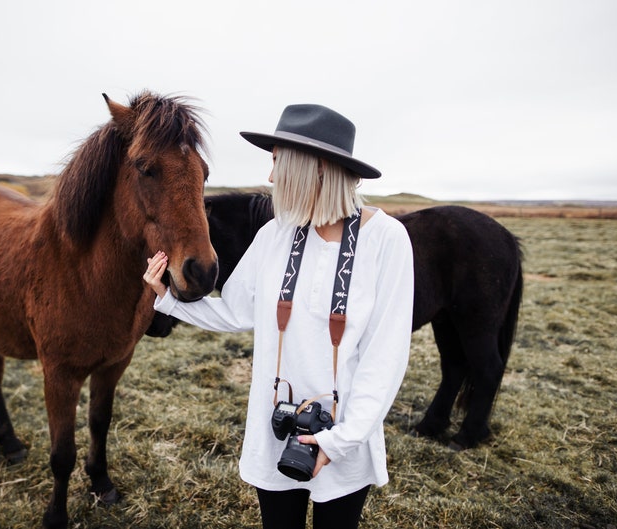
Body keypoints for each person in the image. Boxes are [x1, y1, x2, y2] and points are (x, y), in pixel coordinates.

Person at [143, 103, 414, 529]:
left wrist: (339, 441)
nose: (270, 178)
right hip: (275, 433)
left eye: (277, 163)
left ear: (316, 168)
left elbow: (386, 357)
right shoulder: (274, 234)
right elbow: (235, 311)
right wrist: (169, 299)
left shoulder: (386, 240)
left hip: (345, 441)